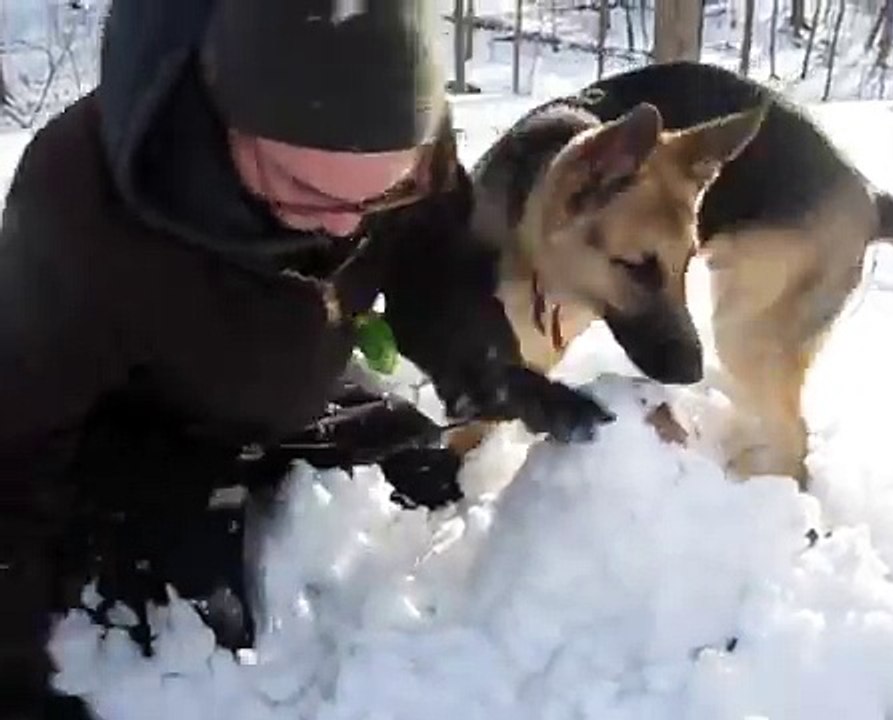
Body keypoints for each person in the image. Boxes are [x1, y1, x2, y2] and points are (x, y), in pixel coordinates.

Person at [0, 1, 613, 717]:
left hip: (296, 393)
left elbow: (430, 257)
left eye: (383, 193)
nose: (351, 226)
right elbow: (16, 445)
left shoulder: (395, 135)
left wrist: (483, 365)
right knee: (196, 627)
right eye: (307, 193)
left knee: (431, 480)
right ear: (224, 111)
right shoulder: (77, 204)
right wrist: (10, 671)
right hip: (131, 430)